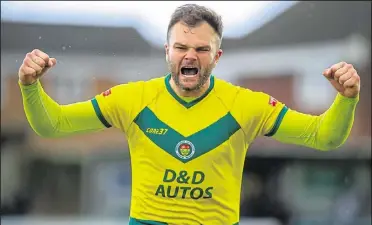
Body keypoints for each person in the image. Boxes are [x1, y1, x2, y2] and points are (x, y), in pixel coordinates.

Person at [18, 4, 360, 225]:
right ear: (168, 51)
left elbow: (323, 136)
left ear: (217, 56)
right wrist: (31, 87)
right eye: (181, 47)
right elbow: (53, 125)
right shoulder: (130, 99)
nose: (190, 56)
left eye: (201, 49)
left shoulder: (247, 105)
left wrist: (346, 99)